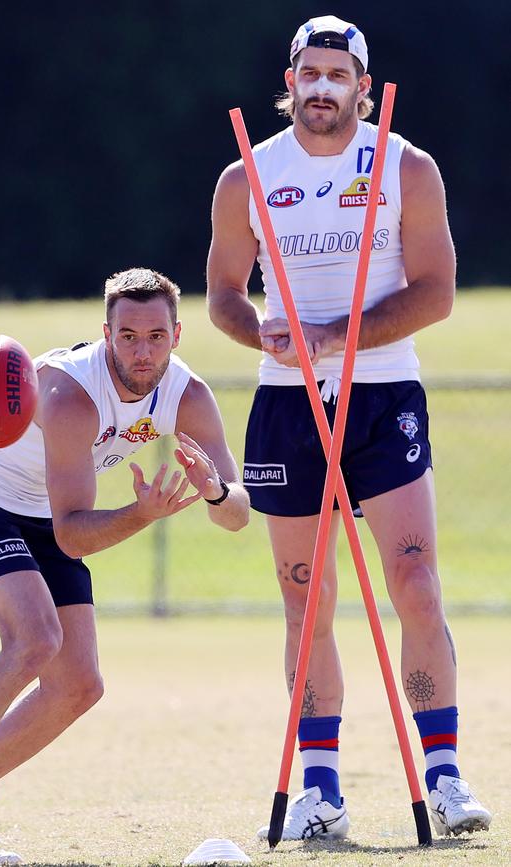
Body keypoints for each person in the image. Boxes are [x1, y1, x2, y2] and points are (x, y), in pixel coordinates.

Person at [207, 15, 491, 841]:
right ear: (289, 79)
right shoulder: (247, 176)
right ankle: (320, 789)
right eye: (310, 72)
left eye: (340, 75)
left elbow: (435, 291)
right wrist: (256, 327)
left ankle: (442, 774)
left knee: (415, 580)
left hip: (380, 393)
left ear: (364, 88)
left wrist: (342, 337)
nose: (323, 87)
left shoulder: (407, 165)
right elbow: (223, 290)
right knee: (308, 600)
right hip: (286, 403)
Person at [0, 267, 250, 864]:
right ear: (106, 334)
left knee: (79, 684)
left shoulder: (188, 394)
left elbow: (238, 513)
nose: (142, 350)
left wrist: (215, 493)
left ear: (177, 334)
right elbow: (74, 535)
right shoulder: (69, 392)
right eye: (127, 336)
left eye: (155, 336)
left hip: (40, 509)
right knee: (34, 640)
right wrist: (142, 512)